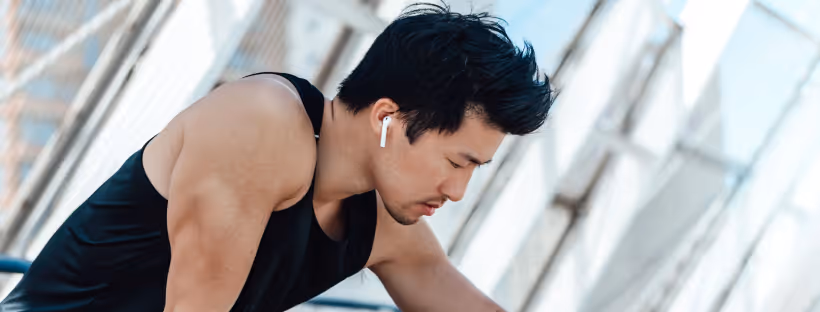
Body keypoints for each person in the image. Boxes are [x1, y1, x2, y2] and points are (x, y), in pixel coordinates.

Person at [1, 3, 554, 312]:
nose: (457, 192)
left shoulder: (383, 220)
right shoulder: (261, 122)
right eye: (457, 163)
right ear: (388, 118)